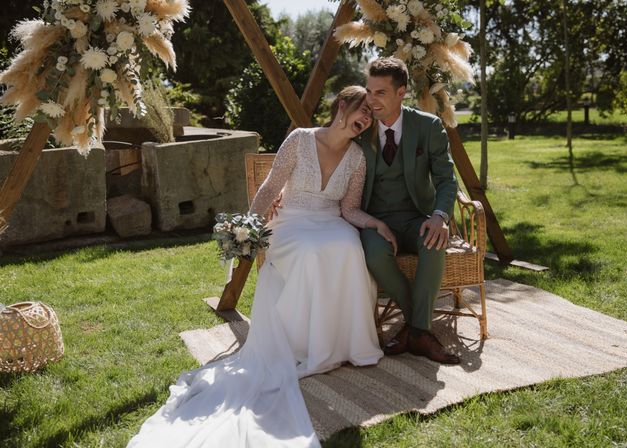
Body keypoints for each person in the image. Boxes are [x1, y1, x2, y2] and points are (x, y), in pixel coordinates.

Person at [127, 86, 393, 448]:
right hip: (292, 224)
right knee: (311, 253)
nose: (365, 120)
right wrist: (249, 230)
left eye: (371, 118)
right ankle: (306, 348)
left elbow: (348, 209)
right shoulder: (300, 139)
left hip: (331, 221)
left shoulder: (358, 158)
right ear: (343, 106)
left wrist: (375, 224)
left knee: (348, 248)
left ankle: (345, 345)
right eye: (362, 111)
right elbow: (270, 188)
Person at [357, 57, 461, 365]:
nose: (371, 100)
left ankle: (414, 331)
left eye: (380, 92)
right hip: (375, 222)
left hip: (418, 217)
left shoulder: (428, 127)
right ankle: (420, 331)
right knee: (374, 254)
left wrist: (439, 217)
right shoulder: (361, 127)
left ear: (401, 92)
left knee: (434, 243)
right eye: (368, 91)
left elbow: (446, 179)